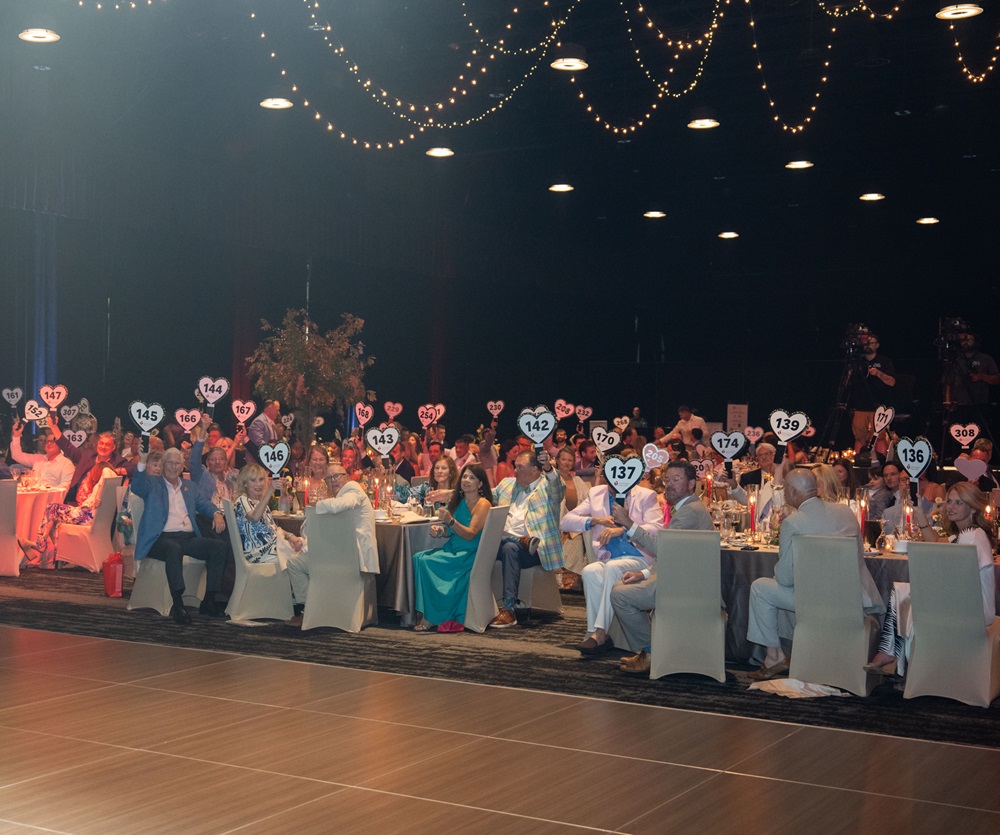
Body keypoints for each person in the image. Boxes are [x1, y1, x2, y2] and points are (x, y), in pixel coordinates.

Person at [746, 468, 885, 680]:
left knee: (760, 588)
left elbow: (785, 578)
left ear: (792, 491)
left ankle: (773, 655)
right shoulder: (845, 511)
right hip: (853, 598)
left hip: (815, 602)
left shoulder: (794, 522)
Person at [866, 482, 996, 676]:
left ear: (972, 508)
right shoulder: (966, 534)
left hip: (974, 609)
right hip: (970, 603)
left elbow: (959, 579)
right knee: (904, 591)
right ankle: (890, 654)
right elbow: (935, 541)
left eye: (958, 503)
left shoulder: (972, 536)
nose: (951, 507)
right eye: (949, 501)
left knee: (903, 592)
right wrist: (920, 514)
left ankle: (890, 654)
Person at [606, 461, 715, 673]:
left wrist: (629, 523)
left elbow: (663, 549)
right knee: (622, 588)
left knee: (620, 595)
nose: (669, 485)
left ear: (692, 483)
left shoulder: (689, 512)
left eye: (676, 480)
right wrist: (644, 572)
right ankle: (652, 651)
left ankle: (651, 652)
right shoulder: (687, 507)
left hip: (685, 587)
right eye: (667, 480)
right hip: (683, 578)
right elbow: (676, 553)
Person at [561, 472, 661, 656]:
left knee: (613, 568)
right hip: (609, 557)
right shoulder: (597, 494)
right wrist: (595, 520)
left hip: (639, 559)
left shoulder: (646, 495)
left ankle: (600, 634)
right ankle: (594, 631)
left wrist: (623, 529)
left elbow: (657, 529)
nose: (616, 485)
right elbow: (566, 522)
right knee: (590, 571)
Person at [131, 446, 229, 625]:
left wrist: (216, 513)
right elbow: (137, 486)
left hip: (187, 538)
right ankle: (178, 603)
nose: (173, 467)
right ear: (163, 464)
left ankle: (209, 600)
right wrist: (142, 461)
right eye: (170, 462)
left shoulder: (189, 487)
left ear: (182, 466)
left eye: (177, 463)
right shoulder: (153, 484)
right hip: (160, 539)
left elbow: (203, 504)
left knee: (219, 547)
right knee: (173, 549)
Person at [285, 462, 379, 628]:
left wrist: (315, 506)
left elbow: (341, 505)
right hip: (340, 554)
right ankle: (314, 608)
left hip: (352, 558)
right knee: (296, 560)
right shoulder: (335, 498)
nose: (333, 480)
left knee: (295, 563)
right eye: (329, 478)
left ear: (347, 477)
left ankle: (311, 609)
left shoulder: (353, 489)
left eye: (337, 476)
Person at [486, 448, 565, 628]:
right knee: (486, 542)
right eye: (515, 466)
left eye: (520, 467)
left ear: (535, 470)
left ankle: (509, 610)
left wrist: (550, 469)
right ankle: (472, 603)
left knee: (509, 548)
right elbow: (483, 494)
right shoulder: (507, 484)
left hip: (535, 551)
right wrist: (452, 493)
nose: (515, 470)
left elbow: (558, 490)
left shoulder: (547, 487)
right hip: (504, 542)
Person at [411, 464, 494, 632]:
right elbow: (451, 530)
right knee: (418, 557)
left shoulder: (483, 504)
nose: (466, 481)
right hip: (454, 548)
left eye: (472, 478)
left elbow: (470, 534)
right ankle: (429, 611)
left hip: (469, 553)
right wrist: (440, 531)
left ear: (480, 484)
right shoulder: (458, 501)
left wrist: (450, 520)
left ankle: (431, 616)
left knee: (427, 562)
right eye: (464, 477)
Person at [18, 461, 118, 567]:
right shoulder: (112, 482)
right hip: (88, 516)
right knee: (54, 518)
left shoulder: (106, 472)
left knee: (52, 507)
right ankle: (55, 557)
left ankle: (40, 545)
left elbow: (107, 472)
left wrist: (99, 495)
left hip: (85, 515)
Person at [48, 413, 132, 503]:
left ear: (113, 448)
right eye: (101, 443)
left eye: (107, 445)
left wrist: (118, 470)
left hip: (100, 506)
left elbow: (134, 469)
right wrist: (53, 427)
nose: (103, 447)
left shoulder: (117, 461)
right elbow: (67, 446)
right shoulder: (87, 455)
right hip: (76, 503)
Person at [232, 463, 305, 565]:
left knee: (306, 544)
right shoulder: (242, 500)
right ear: (245, 483)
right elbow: (254, 517)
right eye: (253, 480)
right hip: (258, 553)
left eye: (261, 479)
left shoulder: (261, 502)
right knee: (302, 557)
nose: (258, 484)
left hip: (274, 545)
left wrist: (291, 536)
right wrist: (270, 490)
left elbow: (275, 529)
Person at [847, 331, 896, 455]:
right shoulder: (858, 362)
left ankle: (880, 461)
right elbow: (846, 382)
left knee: (879, 436)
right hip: (860, 405)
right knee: (859, 436)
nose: (867, 345)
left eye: (871, 343)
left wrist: (878, 373)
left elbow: (892, 382)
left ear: (877, 345)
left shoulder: (884, 361)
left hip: (878, 405)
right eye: (866, 343)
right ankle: (859, 459)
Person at [9, 420, 74, 489]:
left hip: (51, 497)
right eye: (47, 441)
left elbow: (65, 486)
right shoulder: (38, 459)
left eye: (52, 441)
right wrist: (16, 436)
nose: (49, 444)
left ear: (60, 445)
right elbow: (17, 455)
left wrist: (48, 492)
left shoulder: (66, 464)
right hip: (32, 494)